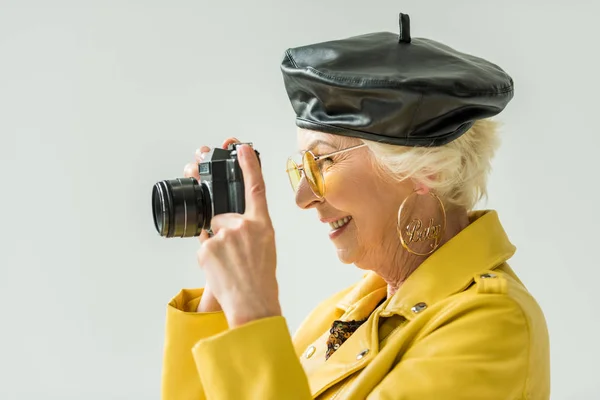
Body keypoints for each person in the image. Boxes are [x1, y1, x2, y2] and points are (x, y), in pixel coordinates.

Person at [160, 13, 550, 400]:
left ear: (425, 169)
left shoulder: (492, 324)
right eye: (301, 168)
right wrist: (223, 294)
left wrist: (253, 313)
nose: (303, 198)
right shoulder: (344, 314)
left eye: (323, 162)